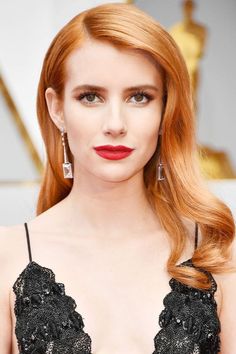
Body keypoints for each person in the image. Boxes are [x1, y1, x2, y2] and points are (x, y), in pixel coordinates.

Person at [0, 2, 235, 353]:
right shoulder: (7, 255)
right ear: (57, 108)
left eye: (139, 97)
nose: (115, 124)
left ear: (164, 111)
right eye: (90, 97)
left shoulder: (217, 254)